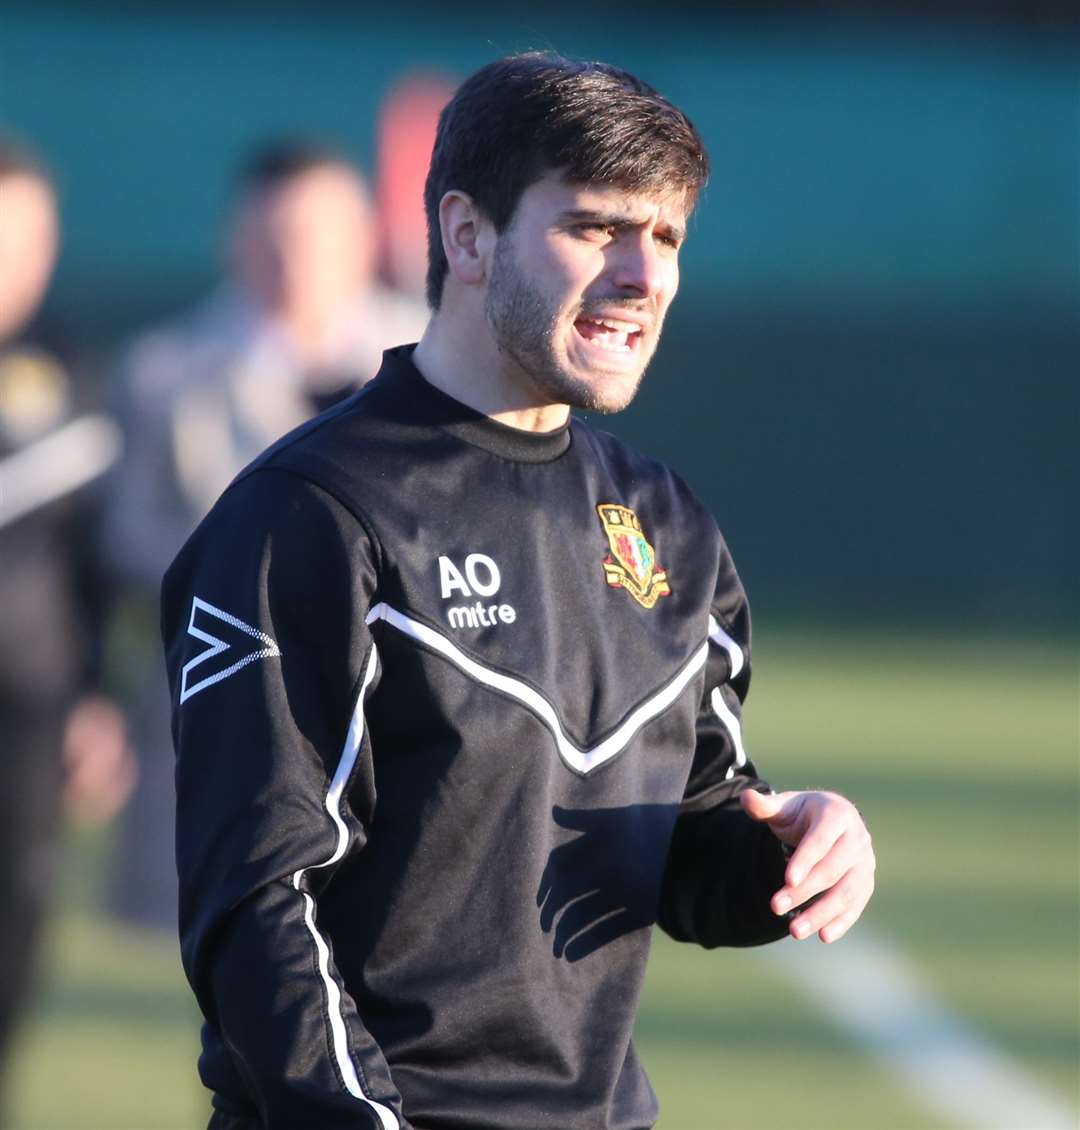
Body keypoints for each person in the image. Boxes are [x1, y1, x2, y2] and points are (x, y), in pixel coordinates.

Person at [161, 54, 876, 1130]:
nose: (645, 273)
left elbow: (688, 835)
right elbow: (254, 904)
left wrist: (789, 849)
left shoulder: (666, 522)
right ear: (467, 235)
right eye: (596, 227)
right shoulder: (308, 515)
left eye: (668, 235)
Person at [100, 141, 428, 929]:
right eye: (272, 237)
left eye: (314, 236)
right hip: (232, 710)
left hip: (411, 716)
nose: (294, 261)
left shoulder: (436, 360)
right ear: (235, 242)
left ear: (361, 236)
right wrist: (244, 570)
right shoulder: (165, 373)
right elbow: (125, 535)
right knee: (248, 948)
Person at [0, 139, 132, 1094]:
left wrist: (95, 697)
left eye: (29, 237)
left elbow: (94, 564)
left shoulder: (70, 375)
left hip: (29, 710)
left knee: (16, 921)